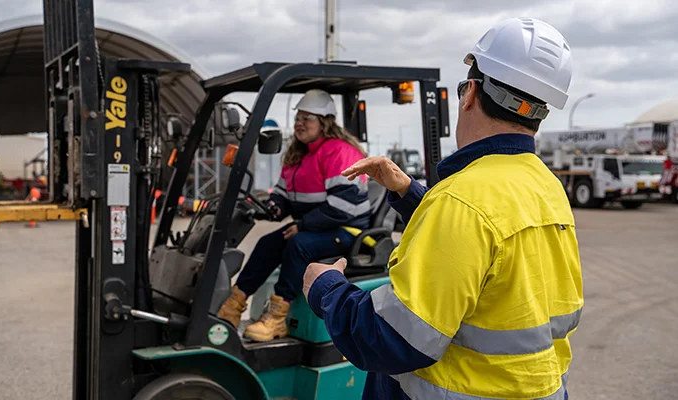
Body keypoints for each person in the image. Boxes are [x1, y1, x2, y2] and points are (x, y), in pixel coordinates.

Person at [302, 17, 584, 399]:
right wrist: (412, 195)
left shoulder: (461, 200)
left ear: (469, 93)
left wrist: (326, 288)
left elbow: (391, 338)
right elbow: (489, 256)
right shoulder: (546, 187)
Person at [217, 89, 371, 342]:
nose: (299, 123)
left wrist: (302, 225)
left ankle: (277, 318)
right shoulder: (298, 155)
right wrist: (274, 207)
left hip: (347, 230)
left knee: (298, 245)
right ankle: (233, 305)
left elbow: (342, 207)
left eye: (307, 118)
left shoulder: (339, 152)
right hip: (314, 227)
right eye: (298, 117)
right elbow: (282, 194)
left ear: (324, 122)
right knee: (269, 242)